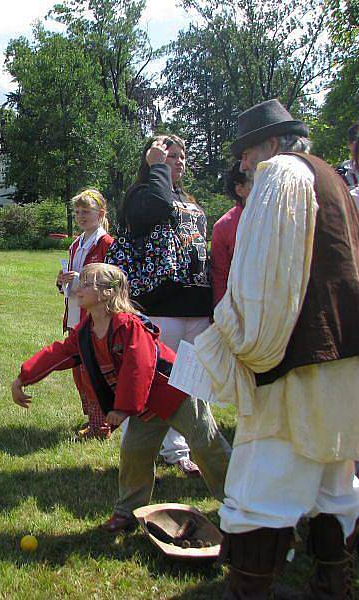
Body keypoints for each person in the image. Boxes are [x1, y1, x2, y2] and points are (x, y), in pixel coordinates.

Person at [194, 99, 359, 598]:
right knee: (334, 482)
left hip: (295, 360)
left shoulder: (281, 176)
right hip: (342, 355)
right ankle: (331, 585)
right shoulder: (330, 176)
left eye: (246, 151)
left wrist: (244, 342)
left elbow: (263, 280)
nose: (242, 164)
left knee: (258, 488)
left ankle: (250, 591)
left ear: (270, 145)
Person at [12, 263, 231, 534]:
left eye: (87, 283)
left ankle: (238, 505)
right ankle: (127, 514)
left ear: (106, 292)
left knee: (205, 444)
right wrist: (24, 377)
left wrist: (124, 408)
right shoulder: (87, 330)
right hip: (143, 404)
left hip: (176, 393)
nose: (78, 287)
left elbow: (138, 367)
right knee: (134, 455)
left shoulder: (129, 325)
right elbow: (60, 353)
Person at [117, 134, 211, 477]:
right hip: (160, 305)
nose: (179, 160)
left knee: (191, 382)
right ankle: (138, 449)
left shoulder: (188, 199)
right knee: (151, 379)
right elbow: (153, 211)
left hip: (196, 304)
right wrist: (157, 168)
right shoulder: (142, 194)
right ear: (153, 158)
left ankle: (182, 449)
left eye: (182, 155)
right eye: (171, 155)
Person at [56, 189, 113, 440]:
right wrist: (62, 281)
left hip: (94, 316)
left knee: (94, 370)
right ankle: (93, 417)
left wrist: (79, 280)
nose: (80, 216)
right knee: (79, 369)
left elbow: (109, 281)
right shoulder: (76, 244)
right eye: (77, 212)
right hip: (74, 314)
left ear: (100, 214)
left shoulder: (106, 244)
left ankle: (101, 424)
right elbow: (70, 280)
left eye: (86, 212)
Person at [210, 162, 249, 308]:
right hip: (240, 308)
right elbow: (220, 275)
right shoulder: (224, 226)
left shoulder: (279, 215)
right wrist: (220, 312)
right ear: (240, 189)